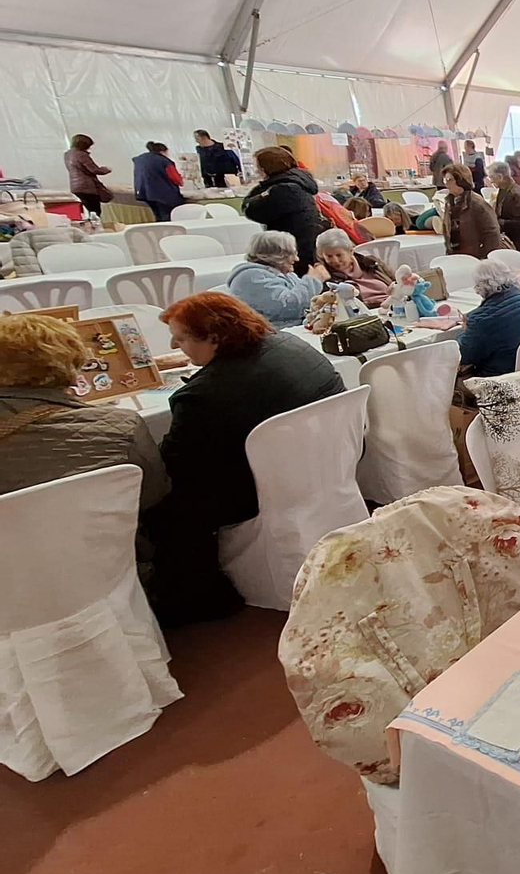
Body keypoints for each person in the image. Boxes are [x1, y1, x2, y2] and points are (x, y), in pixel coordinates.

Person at [148, 293, 344, 622]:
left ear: (214, 336)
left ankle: (197, 599)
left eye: (181, 338)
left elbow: (173, 466)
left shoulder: (203, 394)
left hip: (274, 485)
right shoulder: (292, 346)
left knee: (161, 502)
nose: (174, 344)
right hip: (332, 460)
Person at [0, 314, 168, 507]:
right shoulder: (122, 428)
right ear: (74, 366)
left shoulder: (121, 427)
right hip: (102, 534)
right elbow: (153, 493)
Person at [457, 261, 520, 377]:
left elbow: (463, 356)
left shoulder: (481, 319)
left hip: (505, 380)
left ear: (479, 286)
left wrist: (465, 330)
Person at [243, 146, 324, 272]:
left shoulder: (284, 189)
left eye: (258, 166)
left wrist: (262, 193)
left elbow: (251, 210)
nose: (257, 170)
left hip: (295, 249)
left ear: (266, 168)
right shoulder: (297, 182)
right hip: (303, 244)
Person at [224, 230, 328, 328]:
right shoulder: (251, 278)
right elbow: (288, 308)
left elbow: (306, 304)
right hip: (273, 335)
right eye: (291, 254)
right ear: (276, 256)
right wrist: (314, 280)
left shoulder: (286, 273)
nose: (297, 259)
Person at [441, 162, 506, 259]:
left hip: (476, 256)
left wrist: (484, 258)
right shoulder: (449, 202)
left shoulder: (478, 204)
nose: (446, 184)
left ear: (460, 180)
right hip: (456, 254)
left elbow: (492, 234)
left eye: (449, 180)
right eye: (445, 180)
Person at [316, 228, 395, 307]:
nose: (335, 260)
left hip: (395, 304)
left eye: (339, 255)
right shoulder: (327, 279)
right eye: (329, 256)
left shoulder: (371, 263)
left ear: (351, 252)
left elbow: (396, 282)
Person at [132, 140, 187, 222]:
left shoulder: (140, 160)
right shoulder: (164, 161)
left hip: (144, 193)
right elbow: (176, 179)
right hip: (163, 195)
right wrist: (181, 180)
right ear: (163, 151)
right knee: (167, 217)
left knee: (158, 216)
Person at [64, 133, 114, 216]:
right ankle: (95, 227)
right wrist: (106, 169)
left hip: (75, 187)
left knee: (90, 210)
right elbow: (94, 170)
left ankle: (90, 226)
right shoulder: (82, 155)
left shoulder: (67, 154)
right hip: (87, 186)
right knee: (95, 211)